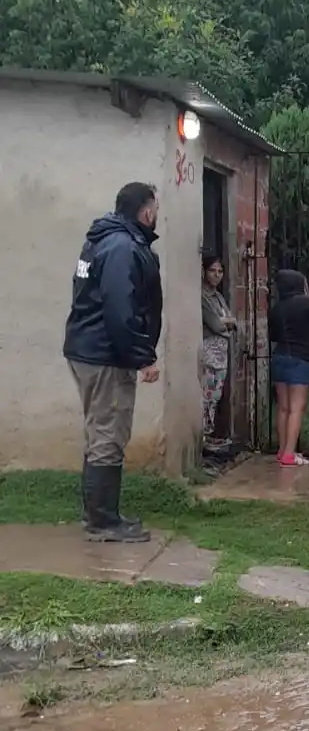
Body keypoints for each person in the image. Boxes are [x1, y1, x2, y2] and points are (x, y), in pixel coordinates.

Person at [63, 182, 162, 542]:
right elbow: (121, 311)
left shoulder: (101, 240)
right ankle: (103, 522)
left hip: (87, 349)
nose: (156, 215)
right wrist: (143, 357)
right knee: (109, 432)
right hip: (106, 355)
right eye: (155, 208)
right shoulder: (122, 247)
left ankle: (98, 514)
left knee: (98, 430)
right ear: (145, 211)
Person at [269, 270, 309, 466]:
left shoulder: (277, 307)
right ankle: (289, 453)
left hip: (279, 357)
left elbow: (273, 334)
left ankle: (281, 450)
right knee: (296, 409)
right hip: (300, 358)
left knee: (283, 407)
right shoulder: (305, 303)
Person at [200, 254, 237, 440]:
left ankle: (209, 431)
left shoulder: (219, 298)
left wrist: (227, 323)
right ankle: (203, 434)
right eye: (212, 271)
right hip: (209, 352)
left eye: (220, 271)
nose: (217, 275)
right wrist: (226, 324)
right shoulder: (203, 297)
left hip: (221, 352)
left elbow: (232, 321)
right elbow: (216, 324)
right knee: (206, 395)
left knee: (215, 395)